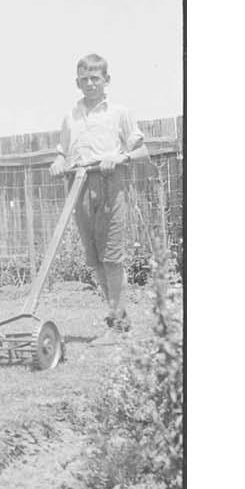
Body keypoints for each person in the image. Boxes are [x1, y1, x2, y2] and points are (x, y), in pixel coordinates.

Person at [48, 53, 151, 343]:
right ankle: (119, 321)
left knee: (112, 257)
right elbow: (62, 151)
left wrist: (118, 157)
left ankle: (116, 326)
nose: (90, 83)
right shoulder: (71, 117)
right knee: (95, 259)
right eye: (84, 79)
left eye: (96, 78)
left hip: (109, 183)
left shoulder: (119, 112)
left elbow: (142, 152)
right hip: (78, 185)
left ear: (107, 80)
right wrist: (58, 162)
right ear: (77, 82)